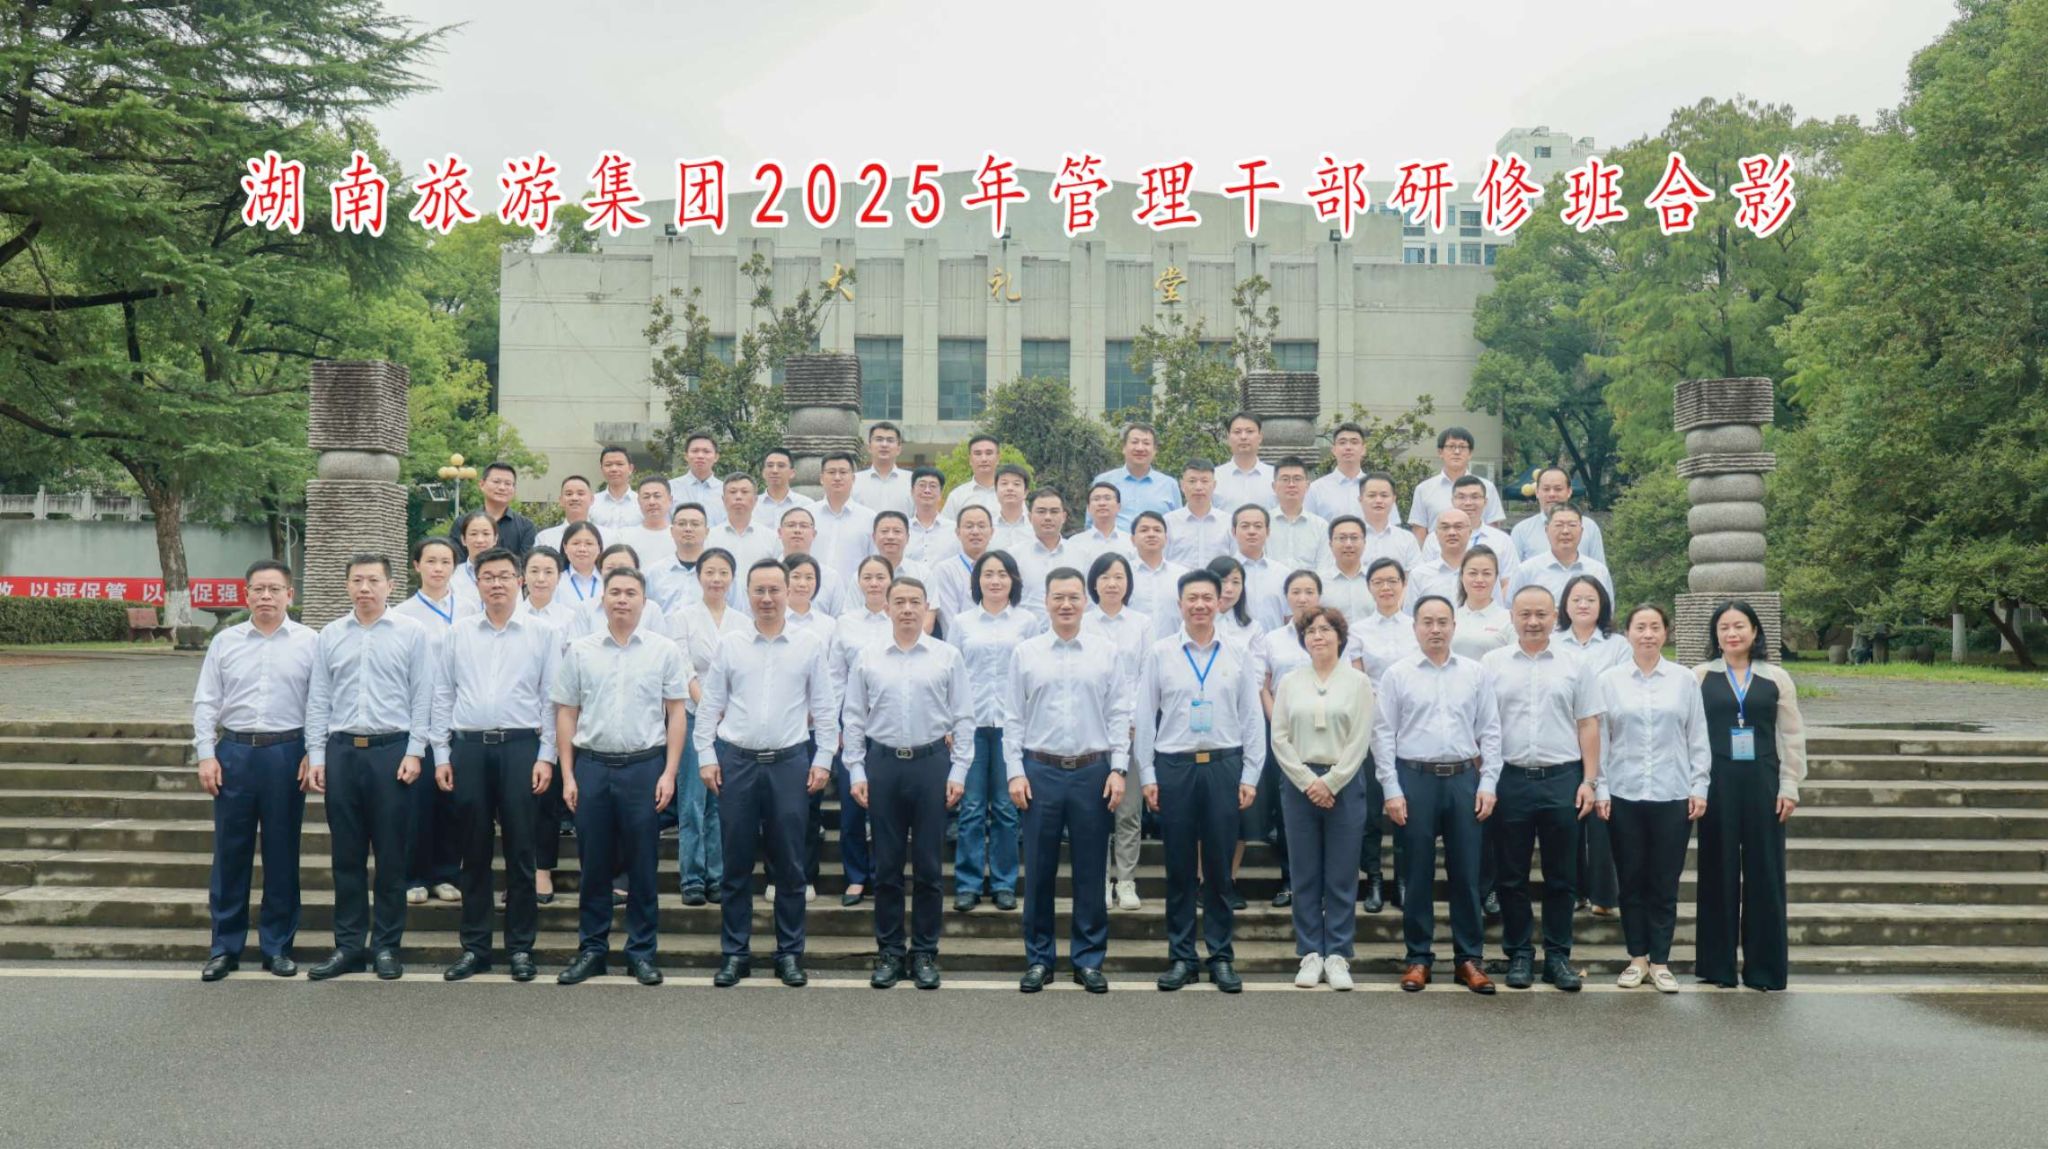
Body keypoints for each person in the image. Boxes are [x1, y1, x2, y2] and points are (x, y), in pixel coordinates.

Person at [697, 560, 839, 988]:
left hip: (790, 763)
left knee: (790, 865)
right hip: (737, 762)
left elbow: (825, 707)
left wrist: (824, 758)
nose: (767, 598)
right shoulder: (731, 645)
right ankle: (735, 954)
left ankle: (789, 954)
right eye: (759, 590)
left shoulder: (809, 644)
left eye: (775, 589)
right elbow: (710, 703)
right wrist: (705, 754)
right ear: (747, 594)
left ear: (789, 592)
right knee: (736, 864)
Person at [550, 567, 690, 986]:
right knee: (593, 864)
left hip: (645, 768)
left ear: (644, 601)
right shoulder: (581, 651)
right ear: (603, 600)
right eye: (615, 592)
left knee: (643, 865)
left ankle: (641, 952)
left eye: (631, 593)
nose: (623, 600)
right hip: (592, 767)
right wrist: (568, 774)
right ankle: (592, 949)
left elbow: (677, 713)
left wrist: (669, 773)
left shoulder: (663, 650)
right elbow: (566, 713)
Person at [429, 547, 561, 983]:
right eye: (488, 577)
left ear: (519, 581)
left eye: (505, 576)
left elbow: (551, 699)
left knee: (522, 852)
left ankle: (520, 948)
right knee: (474, 853)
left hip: (521, 748)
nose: (497, 584)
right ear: (477, 583)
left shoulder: (542, 634)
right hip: (469, 750)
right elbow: (443, 695)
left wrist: (546, 756)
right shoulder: (458, 633)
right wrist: (442, 754)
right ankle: (475, 948)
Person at [304, 554, 431, 981]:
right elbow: (319, 698)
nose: (365, 588)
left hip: (392, 753)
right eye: (357, 580)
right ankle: (348, 946)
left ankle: (387, 946)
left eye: (373, 580)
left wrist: (415, 751)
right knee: (347, 857)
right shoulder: (330, 635)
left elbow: (423, 695)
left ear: (390, 586)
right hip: (342, 752)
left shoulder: (411, 633)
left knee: (391, 857)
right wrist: (317, 755)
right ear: (347, 586)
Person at [1137, 569, 1265, 993]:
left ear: (1219, 602)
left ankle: (1221, 955)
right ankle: (1182, 956)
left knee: (1219, 868)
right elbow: (1144, 715)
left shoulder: (1237, 652)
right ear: (1180, 604)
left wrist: (1251, 773)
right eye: (1192, 598)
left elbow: (1251, 717)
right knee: (1178, 867)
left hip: (1223, 765)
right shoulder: (1160, 653)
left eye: (1207, 597)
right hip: (1175, 767)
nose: (1200, 605)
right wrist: (1147, 773)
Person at [843, 577, 975, 989]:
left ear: (925, 607)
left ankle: (924, 953)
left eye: (914, 602)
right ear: (886, 607)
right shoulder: (868, 656)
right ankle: (889, 952)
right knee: (886, 866)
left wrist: (958, 770)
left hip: (931, 763)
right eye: (898, 601)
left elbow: (963, 717)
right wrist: (856, 769)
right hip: (883, 764)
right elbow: (854, 717)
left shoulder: (947, 656)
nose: (906, 609)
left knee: (929, 867)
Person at [1008, 567, 1133, 994]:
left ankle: (1088, 959)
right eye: (1058, 597)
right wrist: (1015, 771)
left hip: (1092, 771)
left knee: (1090, 870)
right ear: (1046, 601)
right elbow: (1013, 716)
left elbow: (1119, 713)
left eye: (1073, 597)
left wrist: (1119, 768)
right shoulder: (1026, 653)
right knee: (1039, 870)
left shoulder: (1106, 652)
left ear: (1085, 601)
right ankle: (1039, 959)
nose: (1066, 605)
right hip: (1040, 770)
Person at [193, 559, 318, 981]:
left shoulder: (310, 642)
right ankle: (224, 948)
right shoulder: (225, 642)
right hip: (234, 752)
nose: (266, 596)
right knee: (231, 853)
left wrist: (313, 752)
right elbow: (206, 701)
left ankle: (277, 946)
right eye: (258, 589)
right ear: (246, 594)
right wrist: (206, 753)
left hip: (287, 752)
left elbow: (320, 703)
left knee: (283, 853)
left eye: (274, 589)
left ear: (289, 595)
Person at [1372, 595, 1503, 994]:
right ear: (1415, 627)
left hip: (1464, 779)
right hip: (1415, 779)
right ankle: (1418, 958)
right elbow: (1383, 734)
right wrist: (1391, 788)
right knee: (1416, 874)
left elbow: (1490, 730)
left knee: (1467, 874)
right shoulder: (1397, 675)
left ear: (1453, 627)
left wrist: (1488, 783)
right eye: (1427, 622)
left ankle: (1469, 959)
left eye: (1442, 621)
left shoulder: (1475, 673)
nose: (1435, 629)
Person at [1481, 585, 1602, 992]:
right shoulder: (1492, 664)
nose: (1533, 622)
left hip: (1562, 779)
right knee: (1511, 875)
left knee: (1561, 876)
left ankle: (1557, 956)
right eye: (1525, 614)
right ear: (1512, 617)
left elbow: (1588, 723)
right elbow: (1483, 725)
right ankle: (1519, 953)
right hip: (1510, 779)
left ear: (1554, 617)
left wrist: (1589, 780)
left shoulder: (1576, 663)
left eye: (1541, 614)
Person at [1597, 602, 1711, 994]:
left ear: (1666, 632)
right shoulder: (1609, 680)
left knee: (1664, 882)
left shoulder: (1684, 679)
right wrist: (1600, 787)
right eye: (1640, 627)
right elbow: (1602, 739)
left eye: (1655, 627)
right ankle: (1637, 959)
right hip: (1623, 793)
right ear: (1627, 633)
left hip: (1672, 793)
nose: (1647, 634)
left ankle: (1660, 961)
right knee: (1630, 880)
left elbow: (1697, 736)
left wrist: (1699, 786)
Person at [1693, 600, 1807, 992]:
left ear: (1755, 631)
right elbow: (1690, 733)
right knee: (1716, 871)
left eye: (1739, 626)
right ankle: (1717, 966)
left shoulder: (1776, 678)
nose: (1732, 633)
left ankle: (1765, 970)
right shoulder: (1699, 676)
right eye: (1724, 627)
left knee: (1765, 874)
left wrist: (1789, 785)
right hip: (1717, 783)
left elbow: (1791, 735)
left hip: (1763, 781)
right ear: (1715, 634)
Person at [1271, 607, 1374, 991]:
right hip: (1299, 785)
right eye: (1311, 630)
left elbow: (1360, 738)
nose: (1318, 636)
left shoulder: (1358, 682)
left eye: (1326, 629)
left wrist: (1331, 781)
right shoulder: (1290, 682)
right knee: (1305, 872)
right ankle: (1311, 952)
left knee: (1342, 873)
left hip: (1343, 784)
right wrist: (1306, 781)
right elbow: (1279, 737)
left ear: (1340, 637)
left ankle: (1338, 954)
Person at [946, 550, 1041, 911]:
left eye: (1002, 573)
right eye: (988, 574)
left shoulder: (1028, 622)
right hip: (970, 726)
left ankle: (1003, 883)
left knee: (1005, 807)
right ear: (977, 581)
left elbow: (1034, 678)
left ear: (1013, 580)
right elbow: (950, 675)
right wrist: (949, 723)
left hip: (1010, 728)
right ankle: (968, 884)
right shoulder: (962, 622)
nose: (995, 580)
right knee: (971, 807)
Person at [390, 537, 474, 907]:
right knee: (418, 800)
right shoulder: (403, 615)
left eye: (445, 561)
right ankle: (414, 875)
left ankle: (446, 873)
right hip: (418, 717)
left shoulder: (471, 608)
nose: (438, 568)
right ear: (416, 566)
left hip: (462, 714)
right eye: (431, 561)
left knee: (453, 799)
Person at [671, 549, 746, 905]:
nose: (716, 579)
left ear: (732, 577)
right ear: (699, 576)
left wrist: (726, 713)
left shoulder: (742, 622)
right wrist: (708, 709)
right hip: (693, 717)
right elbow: (684, 669)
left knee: (720, 801)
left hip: (733, 722)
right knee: (692, 801)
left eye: (723, 572)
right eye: (710, 572)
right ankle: (692, 877)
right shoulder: (682, 618)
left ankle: (717, 875)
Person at [1082, 553, 1151, 912]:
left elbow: (1146, 676)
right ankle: (1099, 879)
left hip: (1131, 728)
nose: (1112, 583)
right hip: (1090, 731)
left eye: (1119, 576)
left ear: (1128, 583)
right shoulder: (1083, 622)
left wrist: (1131, 718)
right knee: (1094, 812)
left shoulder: (1141, 624)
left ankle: (1126, 880)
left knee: (1128, 809)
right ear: (1094, 583)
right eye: (1105, 576)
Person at [827, 556, 895, 908]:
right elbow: (835, 676)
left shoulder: (899, 618)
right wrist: (835, 723)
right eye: (868, 577)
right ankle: (855, 877)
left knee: (886, 805)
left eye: (880, 577)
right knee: (852, 802)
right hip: (852, 721)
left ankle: (884, 874)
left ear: (891, 580)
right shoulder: (846, 623)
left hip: (890, 724)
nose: (874, 583)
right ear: (859, 582)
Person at [1557, 575, 1628, 918]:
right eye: (1576, 599)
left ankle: (1604, 894)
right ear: (1565, 605)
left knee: (1602, 817)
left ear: (1602, 604)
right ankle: (1574, 891)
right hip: (1564, 738)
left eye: (1590, 599)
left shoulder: (1617, 645)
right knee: (1569, 817)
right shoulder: (1554, 641)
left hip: (1607, 737)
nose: (1583, 605)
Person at [1353, 557, 1420, 915]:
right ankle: (1374, 878)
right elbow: (1357, 679)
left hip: (1411, 729)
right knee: (1370, 811)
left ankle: (1404, 880)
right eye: (1378, 581)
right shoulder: (1358, 630)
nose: (1386, 587)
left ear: (1404, 584)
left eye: (1392, 580)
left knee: (1405, 808)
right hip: (1371, 727)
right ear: (1369, 587)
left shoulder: (1416, 626)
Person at [517, 545, 577, 903]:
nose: (541, 579)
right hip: (519, 721)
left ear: (559, 577)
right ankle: (518, 872)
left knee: (547, 800)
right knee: (516, 803)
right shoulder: (510, 614)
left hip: (560, 717)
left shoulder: (571, 618)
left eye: (549, 572)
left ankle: (542, 870)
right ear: (523, 576)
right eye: (534, 571)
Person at [1406, 425, 1505, 539]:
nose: (1457, 452)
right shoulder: (1424, 489)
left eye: (1462, 447)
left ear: (1470, 453)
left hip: (1478, 549)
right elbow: (1419, 530)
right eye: (1451, 446)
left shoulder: (1487, 487)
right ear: (1440, 452)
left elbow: (1493, 527)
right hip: (1437, 549)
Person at [1518, 504, 1615, 607]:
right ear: (1547, 530)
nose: (1565, 531)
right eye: (1558, 525)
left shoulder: (1598, 571)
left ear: (1581, 531)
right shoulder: (1527, 571)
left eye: (1572, 525)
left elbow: (1607, 611)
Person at [1422, 475, 1518, 576]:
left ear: (1485, 502)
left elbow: (1509, 581)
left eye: (1475, 497)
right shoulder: (1434, 539)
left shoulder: (1502, 541)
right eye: (1461, 497)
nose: (1468, 503)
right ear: (1452, 501)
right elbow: (1425, 576)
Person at [1512, 466, 1606, 563]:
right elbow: (1513, 571)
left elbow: (1599, 569)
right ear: (1537, 492)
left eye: (1558, 489)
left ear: (1569, 491)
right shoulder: (1521, 531)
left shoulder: (1589, 527)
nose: (1552, 494)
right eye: (1546, 489)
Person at [1095, 423, 1181, 528]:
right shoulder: (1103, 481)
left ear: (1155, 450)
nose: (1140, 448)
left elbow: (1177, 525)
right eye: (1134, 442)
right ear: (1123, 447)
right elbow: (1091, 524)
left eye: (1146, 443)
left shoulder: (1169, 485)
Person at [812, 452, 878, 574]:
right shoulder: (807, 515)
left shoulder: (869, 518)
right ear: (821, 478)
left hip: (853, 586)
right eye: (831, 472)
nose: (837, 477)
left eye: (843, 472)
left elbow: (874, 560)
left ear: (853, 478)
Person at [1016, 488, 1078, 617]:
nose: (1048, 517)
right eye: (1041, 511)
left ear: (1064, 517)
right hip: (1027, 628)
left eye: (1054, 511)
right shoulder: (1014, 556)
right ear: (1030, 517)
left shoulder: (1080, 555)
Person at [1127, 511, 1189, 638]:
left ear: (1166, 539)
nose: (1151, 534)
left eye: (1157, 530)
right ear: (1133, 539)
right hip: (1133, 647)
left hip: (1173, 647)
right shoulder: (1123, 575)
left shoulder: (1182, 575)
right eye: (1144, 530)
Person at [776, 506, 847, 617]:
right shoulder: (766, 573)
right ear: (780, 532)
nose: (797, 530)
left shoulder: (830, 577)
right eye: (791, 525)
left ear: (814, 534)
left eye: (803, 526)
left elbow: (839, 620)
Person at [1228, 504, 1289, 631]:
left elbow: (1289, 617)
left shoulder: (1282, 573)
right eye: (1245, 526)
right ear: (1233, 532)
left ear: (1268, 532)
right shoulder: (1221, 573)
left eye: (1258, 526)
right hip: (1234, 641)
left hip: (1273, 642)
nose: (1252, 531)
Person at [1405, 508, 1481, 610]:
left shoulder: (1484, 573)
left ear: (1470, 532)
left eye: (1458, 527)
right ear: (1436, 533)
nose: (1452, 532)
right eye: (1445, 527)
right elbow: (1410, 616)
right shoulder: (1419, 575)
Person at [928, 504, 993, 621]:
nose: (975, 531)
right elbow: (950, 620)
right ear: (958, 532)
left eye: (981, 526)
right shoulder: (945, 570)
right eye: (969, 526)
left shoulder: (1002, 568)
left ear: (992, 532)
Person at [1265, 458, 1331, 573]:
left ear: (1307, 485)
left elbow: (1324, 569)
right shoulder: (1263, 524)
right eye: (1285, 479)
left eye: (1297, 479)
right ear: (1274, 486)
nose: (1291, 484)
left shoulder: (1321, 527)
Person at [707, 473, 782, 573]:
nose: (738, 496)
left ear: (755, 500)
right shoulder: (709, 538)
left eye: (744, 492)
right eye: (733, 492)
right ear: (723, 499)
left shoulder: (771, 539)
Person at [1165, 459, 1232, 567]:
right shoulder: (1168, 522)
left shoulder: (1228, 522)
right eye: (1192, 481)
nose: (1198, 487)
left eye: (1204, 481)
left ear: (1214, 485)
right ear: (1182, 485)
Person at [1452, 547, 1515, 659]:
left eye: (1486, 573)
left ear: (1496, 577)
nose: (1479, 580)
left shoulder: (1509, 619)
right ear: (1461, 576)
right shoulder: (1450, 618)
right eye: (1473, 573)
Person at [1306, 422, 1377, 523]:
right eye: (1342, 442)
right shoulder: (1316, 489)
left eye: (1354, 442)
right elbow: (1308, 527)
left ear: (1363, 449)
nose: (1348, 447)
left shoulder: (1378, 488)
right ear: (1334, 450)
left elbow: (1389, 527)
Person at [1213, 411, 1277, 517]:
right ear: (1228, 437)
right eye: (1237, 432)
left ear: (1260, 437)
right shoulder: (1214, 477)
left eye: (1249, 431)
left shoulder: (1275, 476)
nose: (1243, 437)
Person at [1067, 481, 1137, 570]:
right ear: (1088, 508)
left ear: (1118, 507)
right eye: (1096, 499)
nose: (1102, 503)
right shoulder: (1075, 543)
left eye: (1107, 498)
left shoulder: (1132, 543)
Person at [1318, 516, 1375, 623]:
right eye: (1342, 538)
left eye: (1354, 538)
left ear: (1364, 542)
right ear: (1330, 544)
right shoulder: (1319, 583)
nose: (1348, 544)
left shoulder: (1377, 580)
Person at [852, 421, 915, 515]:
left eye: (890, 440)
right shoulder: (854, 481)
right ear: (869, 447)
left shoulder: (912, 481)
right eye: (879, 439)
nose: (884, 444)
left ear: (899, 449)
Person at [904, 466, 959, 565]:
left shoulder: (954, 530)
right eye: (922, 485)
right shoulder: (903, 529)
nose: (927, 490)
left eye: (933, 486)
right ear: (912, 491)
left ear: (941, 493)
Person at [667, 431, 725, 525]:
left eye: (706, 451)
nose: (700, 456)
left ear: (716, 457)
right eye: (695, 451)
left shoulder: (726, 491)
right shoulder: (669, 488)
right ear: (686, 456)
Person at [615, 475, 675, 564]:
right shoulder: (623, 536)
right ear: (638, 501)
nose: (652, 502)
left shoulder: (680, 535)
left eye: (657, 496)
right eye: (646, 497)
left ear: (670, 500)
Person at [942, 433, 1003, 518]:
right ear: (970, 459)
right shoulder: (957, 496)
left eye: (989, 453)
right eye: (978, 454)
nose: (984, 459)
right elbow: (946, 526)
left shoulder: (1012, 493)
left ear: (998, 458)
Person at [448, 511, 498, 610]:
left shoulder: (509, 575)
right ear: (463, 539)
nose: (480, 540)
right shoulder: (451, 576)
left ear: (495, 539)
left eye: (486, 534)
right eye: (473, 534)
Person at [532, 473, 594, 553]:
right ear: (561, 500)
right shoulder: (544, 538)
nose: (574, 498)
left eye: (580, 494)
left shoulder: (606, 536)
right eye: (569, 494)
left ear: (591, 499)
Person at [588, 445, 642, 534]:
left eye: (619, 464)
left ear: (630, 468)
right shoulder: (591, 503)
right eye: (608, 465)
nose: (614, 469)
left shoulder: (642, 502)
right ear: (601, 469)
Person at [555, 522, 605, 611]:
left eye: (589, 543)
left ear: (599, 548)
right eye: (576, 543)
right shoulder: (555, 581)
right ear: (565, 547)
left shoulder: (608, 580)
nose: (582, 549)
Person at [758, 447, 815, 521]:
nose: (774, 471)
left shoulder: (806, 505)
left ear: (792, 473)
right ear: (763, 472)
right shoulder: (752, 505)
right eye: (770, 465)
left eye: (781, 466)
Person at [989, 463, 1034, 550]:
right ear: (996, 491)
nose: (1010, 488)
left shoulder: (1035, 527)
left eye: (1016, 484)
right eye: (1004, 483)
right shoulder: (987, 528)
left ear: (1025, 492)